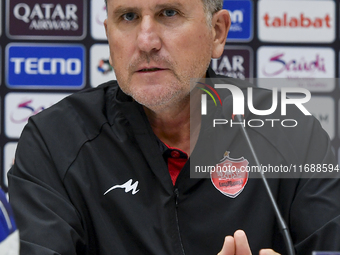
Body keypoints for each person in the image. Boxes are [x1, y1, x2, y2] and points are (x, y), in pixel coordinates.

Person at [7, 0, 340, 254]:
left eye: (169, 13)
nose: (147, 41)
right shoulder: (55, 141)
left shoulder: (292, 133)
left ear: (217, 33)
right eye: (128, 17)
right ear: (108, 32)